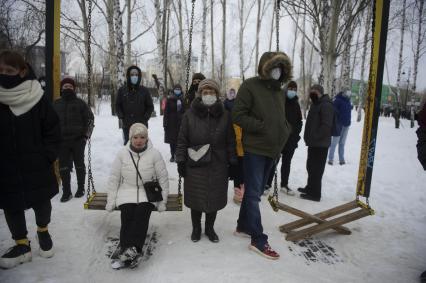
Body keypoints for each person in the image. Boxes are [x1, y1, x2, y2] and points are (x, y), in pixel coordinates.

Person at [0, 50, 61, 269]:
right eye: (1, 71)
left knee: (41, 201)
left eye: (9, 70)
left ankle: (43, 231)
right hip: (6, 165)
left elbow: (53, 130)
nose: (4, 74)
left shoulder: (37, 97)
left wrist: (46, 156)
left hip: (36, 162)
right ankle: (21, 244)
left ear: (22, 71)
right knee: (11, 205)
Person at [233, 51, 292, 260]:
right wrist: (261, 127)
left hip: (273, 150)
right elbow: (237, 114)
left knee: (254, 191)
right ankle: (258, 239)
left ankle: (242, 226)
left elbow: (279, 118)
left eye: (282, 68)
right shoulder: (250, 86)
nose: (279, 72)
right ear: (265, 67)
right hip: (255, 149)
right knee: (253, 194)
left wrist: (284, 130)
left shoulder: (279, 91)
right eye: (275, 67)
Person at [176, 79, 237, 243]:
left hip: (218, 164)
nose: (208, 95)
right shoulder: (189, 115)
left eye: (211, 92)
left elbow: (231, 141)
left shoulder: (225, 115)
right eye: (205, 92)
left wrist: (232, 162)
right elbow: (182, 140)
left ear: (217, 95)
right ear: (199, 94)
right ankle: (196, 228)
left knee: (214, 198)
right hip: (195, 163)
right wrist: (181, 160)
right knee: (196, 198)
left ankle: (210, 228)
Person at [105, 123, 169, 264]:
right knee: (127, 213)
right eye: (135, 137)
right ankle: (127, 247)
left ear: (147, 138)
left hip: (148, 193)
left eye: (142, 137)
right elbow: (114, 178)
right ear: (130, 138)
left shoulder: (154, 154)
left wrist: (162, 201)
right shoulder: (122, 153)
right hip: (127, 190)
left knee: (141, 213)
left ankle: (133, 248)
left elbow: (163, 178)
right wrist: (111, 200)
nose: (139, 140)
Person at [53, 77, 94, 202]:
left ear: (74, 89)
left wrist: (86, 135)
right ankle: (67, 191)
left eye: (70, 87)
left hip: (78, 140)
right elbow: (50, 122)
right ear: (61, 88)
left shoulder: (80, 103)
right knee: (63, 166)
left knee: (79, 165)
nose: (68, 88)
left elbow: (90, 120)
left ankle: (81, 188)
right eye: (65, 87)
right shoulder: (56, 104)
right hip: (62, 141)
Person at [265, 80, 303, 196]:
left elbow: (299, 122)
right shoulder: (280, 101)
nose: (292, 91)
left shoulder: (296, 104)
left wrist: (295, 134)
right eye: (290, 89)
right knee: (273, 162)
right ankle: (267, 184)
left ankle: (284, 185)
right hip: (279, 138)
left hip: (291, 140)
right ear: (286, 89)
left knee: (287, 163)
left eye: (294, 90)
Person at [298, 84, 334, 202]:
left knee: (317, 169)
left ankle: (315, 194)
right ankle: (310, 188)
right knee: (311, 167)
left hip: (320, 144)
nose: (310, 94)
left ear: (319, 92)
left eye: (312, 91)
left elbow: (326, 126)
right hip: (314, 143)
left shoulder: (326, 105)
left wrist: (315, 136)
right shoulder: (317, 103)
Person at [116, 65, 154, 145]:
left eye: (136, 75)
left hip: (141, 124)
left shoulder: (144, 91)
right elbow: (117, 105)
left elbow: (150, 106)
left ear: (139, 76)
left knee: (142, 145)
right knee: (128, 145)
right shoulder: (122, 90)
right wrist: (121, 117)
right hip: (127, 125)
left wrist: (145, 118)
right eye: (132, 75)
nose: (134, 76)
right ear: (128, 76)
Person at [223, 88, 245, 204]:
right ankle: (237, 192)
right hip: (234, 148)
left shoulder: (245, 114)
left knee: (244, 171)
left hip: (245, 148)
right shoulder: (226, 107)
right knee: (236, 171)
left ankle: (243, 190)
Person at [328, 89, 352, 165]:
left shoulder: (348, 101)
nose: (348, 94)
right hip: (338, 125)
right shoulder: (338, 100)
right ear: (343, 93)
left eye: (349, 93)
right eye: (347, 92)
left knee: (342, 143)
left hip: (346, 125)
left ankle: (341, 160)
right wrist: (338, 117)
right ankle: (330, 159)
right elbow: (333, 110)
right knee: (334, 143)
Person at [163, 84, 185, 162]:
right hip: (171, 124)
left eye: (179, 89)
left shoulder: (183, 100)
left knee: (180, 141)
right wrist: (165, 124)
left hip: (181, 123)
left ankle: (178, 154)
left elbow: (185, 111)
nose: (177, 90)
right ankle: (173, 155)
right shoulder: (169, 100)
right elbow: (166, 113)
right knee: (172, 141)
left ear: (181, 90)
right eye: (176, 89)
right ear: (173, 90)